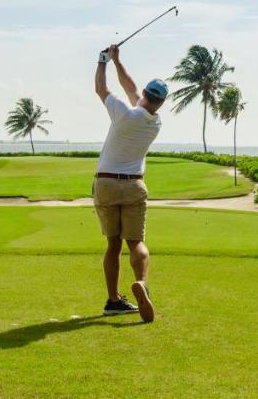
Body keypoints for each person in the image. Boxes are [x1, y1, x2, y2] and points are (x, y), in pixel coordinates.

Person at [93, 43, 167, 323]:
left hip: (106, 184)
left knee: (113, 245)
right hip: (134, 185)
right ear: (160, 102)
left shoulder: (124, 113)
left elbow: (102, 89)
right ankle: (142, 284)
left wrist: (102, 61)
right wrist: (117, 61)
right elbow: (131, 89)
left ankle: (113, 301)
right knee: (136, 243)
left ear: (145, 95)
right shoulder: (155, 122)